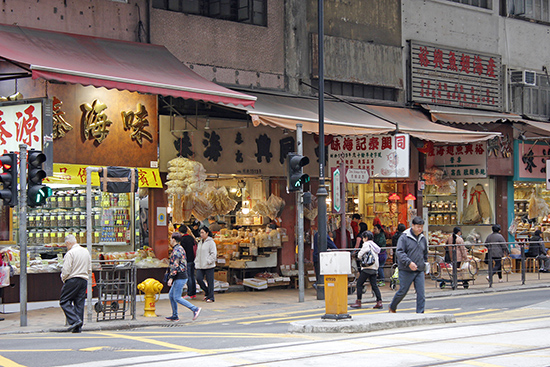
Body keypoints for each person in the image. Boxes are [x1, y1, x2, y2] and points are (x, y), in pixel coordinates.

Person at [389, 216, 428, 314]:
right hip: (406, 269)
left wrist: (425, 264)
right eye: (418, 226)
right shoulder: (404, 237)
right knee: (403, 291)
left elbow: (425, 253)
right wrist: (409, 262)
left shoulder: (423, 238)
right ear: (413, 226)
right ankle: (392, 306)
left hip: (419, 269)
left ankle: (420, 313)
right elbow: (400, 252)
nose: (420, 229)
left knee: (421, 293)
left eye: (421, 227)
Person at [165, 232, 201, 321]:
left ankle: (195, 309)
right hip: (181, 275)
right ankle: (175, 315)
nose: (170, 241)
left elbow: (175, 265)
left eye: (170, 239)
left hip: (180, 276)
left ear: (174, 240)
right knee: (171, 295)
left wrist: (171, 278)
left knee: (177, 297)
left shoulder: (177, 251)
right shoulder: (180, 248)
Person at [59, 234, 91, 333]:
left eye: (66, 244)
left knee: (64, 301)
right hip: (83, 279)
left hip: (72, 279)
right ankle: (78, 327)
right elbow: (89, 268)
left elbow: (66, 269)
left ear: (68, 243)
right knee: (79, 303)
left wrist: (63, 278)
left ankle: (75, 320)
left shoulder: (70, 253)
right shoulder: (86, 252)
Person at [350, 231, 383, 309]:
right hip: (374, 267)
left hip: (367, 267)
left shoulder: (366, 244)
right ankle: (379, 301)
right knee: (374, 285)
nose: (363, 239)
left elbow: (360, 254)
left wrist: (358, 256)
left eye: (363, 238)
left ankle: (358, 301)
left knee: (359, 284)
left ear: (366, 238)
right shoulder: (374, 245)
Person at [195, 227, 217, 302]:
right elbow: (198, 253)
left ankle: (211, 297)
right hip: (200, 265)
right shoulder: (200, 242)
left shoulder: (211, 242)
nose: (201, 234)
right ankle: (207, 292)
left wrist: (209, 261)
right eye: (200, 233)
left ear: (207, 233)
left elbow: (213, 254)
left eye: (203, 232)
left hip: (209, 265)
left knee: (210, 281)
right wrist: (196, 262)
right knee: (199, 278)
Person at [178, 224, 197, 300]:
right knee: (192, 276)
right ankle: (194, 293)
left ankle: (189, 293)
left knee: (188, 277)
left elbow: (182, 251)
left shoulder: (182, 240)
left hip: (187, 260)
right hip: (193, 259)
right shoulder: (191, 238)